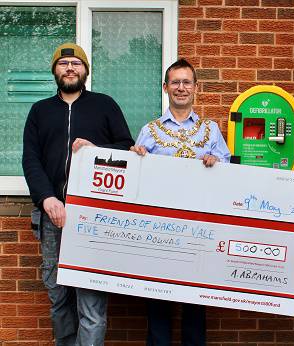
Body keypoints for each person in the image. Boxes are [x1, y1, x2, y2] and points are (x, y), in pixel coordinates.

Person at [22, 43, 134, 345]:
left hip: (94, 217)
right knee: (59, 298)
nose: (70, 68)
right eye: (63, 64)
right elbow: (30, 159)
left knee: (92, 303)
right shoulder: (39, 111)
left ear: (85, 70)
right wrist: (47, 198)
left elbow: (127, 148)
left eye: (76, 63)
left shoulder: (105, 105)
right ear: (55, 71)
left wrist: (97, 151)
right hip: (52, 217)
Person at [131, 58, 230, 346]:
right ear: (166, 87)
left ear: (196, 88)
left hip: (200, 232)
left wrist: (217, 163)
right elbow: (136, 179)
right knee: (158, 308)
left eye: (187, 82)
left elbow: (229, 179)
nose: (181, 88)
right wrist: (135, 157)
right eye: (175, 82)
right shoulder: (150, 131)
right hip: (160, 231)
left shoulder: (211, 130)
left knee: (195, 308)